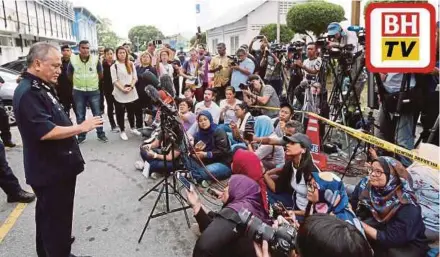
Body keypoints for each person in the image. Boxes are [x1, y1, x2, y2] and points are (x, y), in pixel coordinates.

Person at [13, 42, 103, 257]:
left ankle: (48, 252)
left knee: (48, 218)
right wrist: (81, 127)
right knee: (57, 220)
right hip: (50, 170)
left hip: (55, 167)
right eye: (54, 66)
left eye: (60, 66)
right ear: (37, 63)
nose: (59, 71)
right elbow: (45, 131)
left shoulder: (39, 86)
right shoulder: (28, 92)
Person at [351, 156, 429, 257]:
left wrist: (357, 223)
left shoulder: (407, 204)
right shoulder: (366, 184)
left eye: (378, 171)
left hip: (404, 244)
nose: (372, 174)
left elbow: (390, 239)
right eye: (371, 170)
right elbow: (352, 203)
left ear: (392, 175)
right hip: (376, 229)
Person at [187, 174, 270, 257]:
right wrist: (198, 204)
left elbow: (205, 245)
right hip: (235, 249)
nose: (224, 189)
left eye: (228, 186)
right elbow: (219, 227)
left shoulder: (239, 209)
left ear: (237, 189)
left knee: (196, 228)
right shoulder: (253, 208)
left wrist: (196, 207)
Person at [263, 133, 319, 215]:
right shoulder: (290, 164)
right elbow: (276, 188)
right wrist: (266, 173)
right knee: (262, 191)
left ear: (303, 150)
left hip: (304, 214)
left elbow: (314, 210)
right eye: (288, 143)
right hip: (293, 202)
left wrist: (290, 212)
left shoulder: (311, 173)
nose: (287, 145)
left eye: (292, 143)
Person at [68, 40, 108, 144]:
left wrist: (92, 83)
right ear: (79, 49)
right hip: (78, 91)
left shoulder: (95, 60)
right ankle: (81, 135)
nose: (85, 50)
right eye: (83, 48)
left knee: (97, 114)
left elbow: (100, 74)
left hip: (93, 91)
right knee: (80, 114)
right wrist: (78, 83)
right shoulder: (73, 60)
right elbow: (69, 74)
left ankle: (101, 134)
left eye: (87, 48)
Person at [186, 111, 232, 185]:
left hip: (222, 163)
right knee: (187, 158)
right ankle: (199, 177)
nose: (203, 122)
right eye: (200, 121)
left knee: (208, 170)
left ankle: (191, 175)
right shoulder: (198, 135)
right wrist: (195, 153)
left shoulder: (218, 131)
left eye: (205, 119)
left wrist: (206, 154)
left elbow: (224, 151)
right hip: (205, 163)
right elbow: (193, 151)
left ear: (210, 119)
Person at [110, 46, 141, 141]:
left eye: (124, 52)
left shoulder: (131, 64)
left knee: (131, 111)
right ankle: (122, 131)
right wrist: (123, 89)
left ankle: (133, 128)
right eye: (120, 53)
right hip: (119, 92)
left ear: (126, 53)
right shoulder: (114, 66)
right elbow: (114, 80)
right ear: (117, 54)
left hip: (131, 91)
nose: (122, 54)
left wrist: (131, 86)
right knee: (120, 113)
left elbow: (135, 77)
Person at [101, 48, 118, 132]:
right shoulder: (102, 65)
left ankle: (120, 123)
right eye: (108, 54)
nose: (110, 56)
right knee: (110, 107)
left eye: (111, 54)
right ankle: (113, 125)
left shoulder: (116, 64)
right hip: (107, 89)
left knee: (119, 107)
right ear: (105, 55)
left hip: (117, 88)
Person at [57, 45, 74, 117]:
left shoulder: (75, 62)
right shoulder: (58, 62)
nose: (66, 52)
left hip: (74, 90)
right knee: (65, 112)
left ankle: (82, 127)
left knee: (79, 112)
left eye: (68, 50)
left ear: (71, 51)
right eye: (64, 51)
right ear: (61, 52)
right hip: (62, 90)